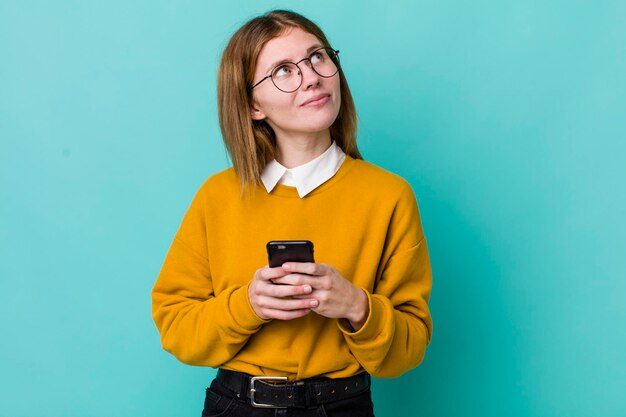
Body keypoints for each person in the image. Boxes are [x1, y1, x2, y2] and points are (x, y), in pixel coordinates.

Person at [152, 9, 433, 417]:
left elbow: (408, 350)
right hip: (238, 405)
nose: (313, 76)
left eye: (318, 56)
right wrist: (248, 304)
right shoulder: (217, 196)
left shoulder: (388, 196)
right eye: (283, 70)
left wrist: (356, 305)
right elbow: (177, 329)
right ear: (252, 107)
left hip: (343, 406)